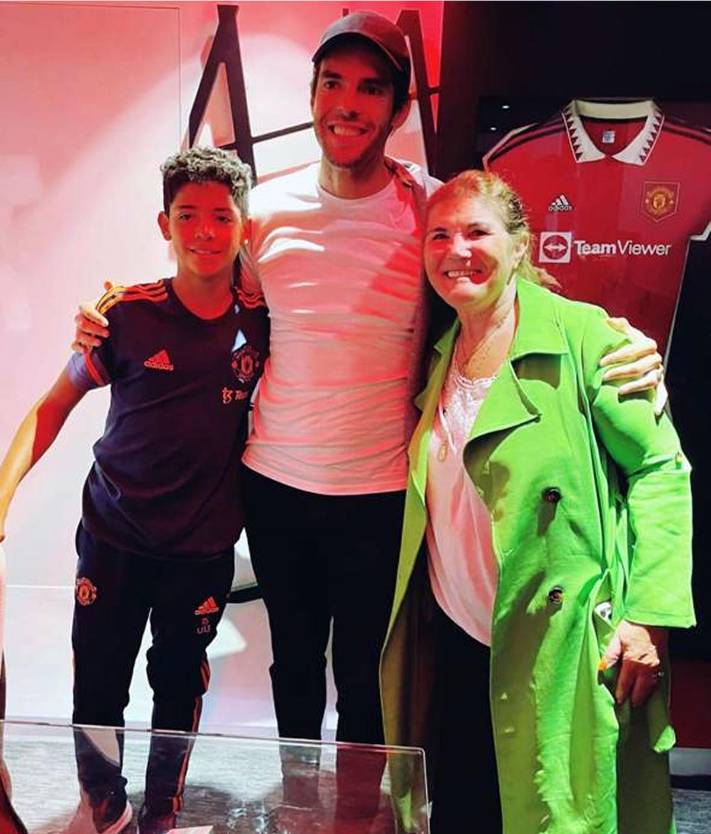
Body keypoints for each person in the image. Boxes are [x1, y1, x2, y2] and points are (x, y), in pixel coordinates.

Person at [71, 14, 665, 763]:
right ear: (314, 95)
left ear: (397, 107)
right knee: (293, 667)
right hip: (275, 485)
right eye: (333, 84)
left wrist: (615, 337)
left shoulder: (430, 208)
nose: (347, 104)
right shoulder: (265, 213)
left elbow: (511, 283)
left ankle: (355, 820)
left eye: (370, 88)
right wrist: (105, 315)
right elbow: (206, 296)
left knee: (365, 678)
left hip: (382, 494)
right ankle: (298, 802)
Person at [379, 169, 694, 834]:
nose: (456, 250)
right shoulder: (438, 354)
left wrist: (648, 616)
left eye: (476, 232)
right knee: (467, 829)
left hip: (560, 650)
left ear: (520, 245)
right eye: (439, 235)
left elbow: (661, 469)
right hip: (461, 638)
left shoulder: (587, 338)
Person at [0, 147, 268, 834]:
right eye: (188, 216)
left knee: (178, 686)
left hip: (203, 549)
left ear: (244, 226)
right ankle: (103, 805)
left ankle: (162, 810)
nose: (205, 231)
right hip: (114, 538)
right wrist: (2, 495)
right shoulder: (124, 315)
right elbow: (52, 405)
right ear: (164, 225)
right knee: (97, 686)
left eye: (222, 217)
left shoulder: (264, 325)